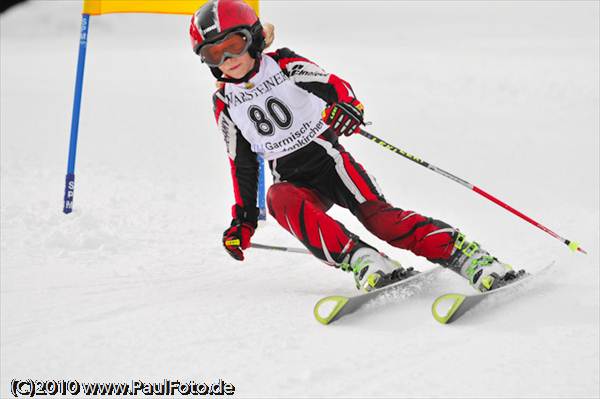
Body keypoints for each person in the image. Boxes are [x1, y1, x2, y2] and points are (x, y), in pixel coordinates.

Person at [190, 0, 523, 292]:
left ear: (254, 38)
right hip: (293, 181)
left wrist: (347, 107)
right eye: (214, 53)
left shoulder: (283, 65)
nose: (228, 58)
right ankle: (364, 260)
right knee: (279, 198)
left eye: (234, 43)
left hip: (331, 164)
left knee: (384, 222)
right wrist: (244, 221)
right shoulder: (224, 102)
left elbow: (334, 86)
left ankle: (469, 258)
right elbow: (243, 163)